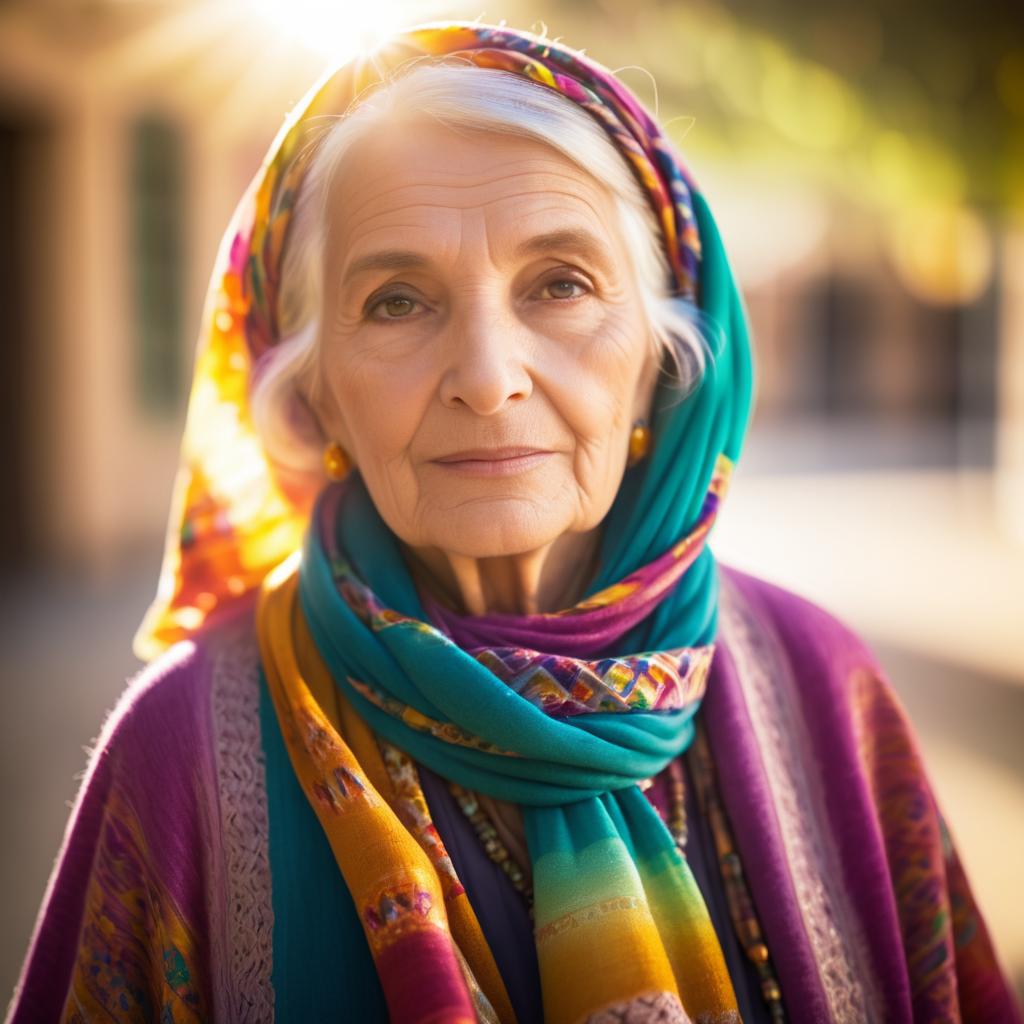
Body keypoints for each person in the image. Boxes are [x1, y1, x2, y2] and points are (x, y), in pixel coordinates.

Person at [7, 22, 1021, 1024]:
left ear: (661, 361)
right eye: (397, 300)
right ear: (314, 394)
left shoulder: (822, 685)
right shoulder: (180, 751)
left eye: (561, 284)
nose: (489, 379)